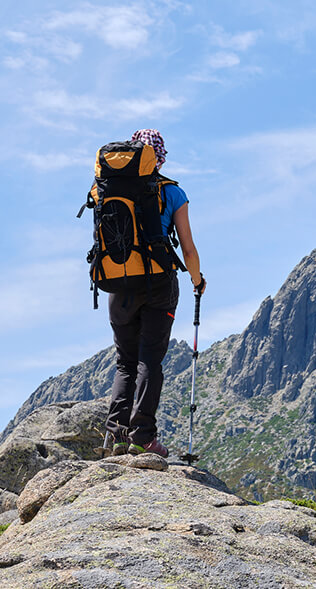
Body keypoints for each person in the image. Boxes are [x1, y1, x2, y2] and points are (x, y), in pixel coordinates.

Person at [105, 129, 206, 458]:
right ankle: (143, 438)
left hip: (118, 284)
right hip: (159, 284)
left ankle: (117, 439)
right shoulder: (172, 192)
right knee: (150, 359)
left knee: (125, 363)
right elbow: (187, 249)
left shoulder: (109, 187)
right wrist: (197, 280)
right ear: (159, 158)